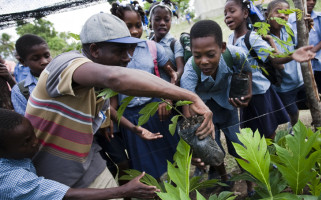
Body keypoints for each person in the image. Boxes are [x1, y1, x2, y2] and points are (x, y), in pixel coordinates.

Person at [25, 12, 214, 191]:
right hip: (53, 172)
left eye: (129, 49)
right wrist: (190, 96)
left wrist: (135, 129)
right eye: (119, 51)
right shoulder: (65, 63)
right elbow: (115, 77)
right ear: (94, 50)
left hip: (88, 159)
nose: (128, 57)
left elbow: (112, 101)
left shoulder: (97, 86)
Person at [0, 108, 159, 200]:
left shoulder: (15, 155)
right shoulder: (12, 180)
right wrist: (125, 190)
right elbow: (65, 194)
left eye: (33, 135)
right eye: (26, 142)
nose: (36, 142)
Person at [106, 1, 179, 180]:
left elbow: (173, 75)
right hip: (131, 120)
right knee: (146, 170)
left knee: (172, 161)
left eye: (138, 25)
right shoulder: (113, 56)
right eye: (128, 26)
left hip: (156, 112)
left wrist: (168, 100)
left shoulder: (153, 48)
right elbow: (112, 103)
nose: (135, 31)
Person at [181, 19, 253, 189]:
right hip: (204, 111)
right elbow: (186, 105)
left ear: (222, 47)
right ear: (192, 51)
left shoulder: (235, 54)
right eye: (197, 56)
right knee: (215, 150)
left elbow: (247, 70)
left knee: (238, 146)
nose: (204, 61)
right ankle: (224, 177)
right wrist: (194, 139)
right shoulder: (189, 73)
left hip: (227, 106)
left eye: (210, 55)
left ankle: (251, 185)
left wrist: (248, 92)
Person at [224, 0, 290, 139]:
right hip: (244, 95)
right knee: (253, 133)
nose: (227, 16)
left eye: (232, 11)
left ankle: (273, 157)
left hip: (260, 93)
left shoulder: (252, 38)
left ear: (245, 13)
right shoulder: (230, 40)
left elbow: (275, 59)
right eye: (225, 13)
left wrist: (293, 55)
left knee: (268, 131)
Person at [289, 0, 321, 129]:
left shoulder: (320, 17)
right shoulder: (290, 19)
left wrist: (313, 50)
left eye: (314, 0)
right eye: (308, 0)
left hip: (319, 61)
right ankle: (294, 124)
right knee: (299, 93)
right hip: (300, 64)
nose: (311, 2)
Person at [265, 0, 315, 129]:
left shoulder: (288, 30)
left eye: (286, 13)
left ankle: (317, 124)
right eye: (278, 11)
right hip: (284, 86)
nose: (283, 16)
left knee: (312, 102)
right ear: (267, 15)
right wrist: (271, 40)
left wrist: (307, 29)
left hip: (299, 80)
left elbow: (299, 48)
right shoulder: (264, 37)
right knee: (292, 112)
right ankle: (292, 129)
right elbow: (278, 64)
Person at [11, 34, 52, 116]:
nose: (44, 61)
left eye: (47, 56)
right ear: (23, 62)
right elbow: (26, 120)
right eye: (36, 59)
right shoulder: (20, 91)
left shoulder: (65, 77)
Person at [147, 0, 185, 82]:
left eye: (166, 20)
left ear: (171, 21)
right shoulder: (147, 44)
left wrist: (176, 75)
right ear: (150, 21)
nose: (162, 23)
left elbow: (181, 68)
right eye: (157, 19)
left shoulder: (174, 43)